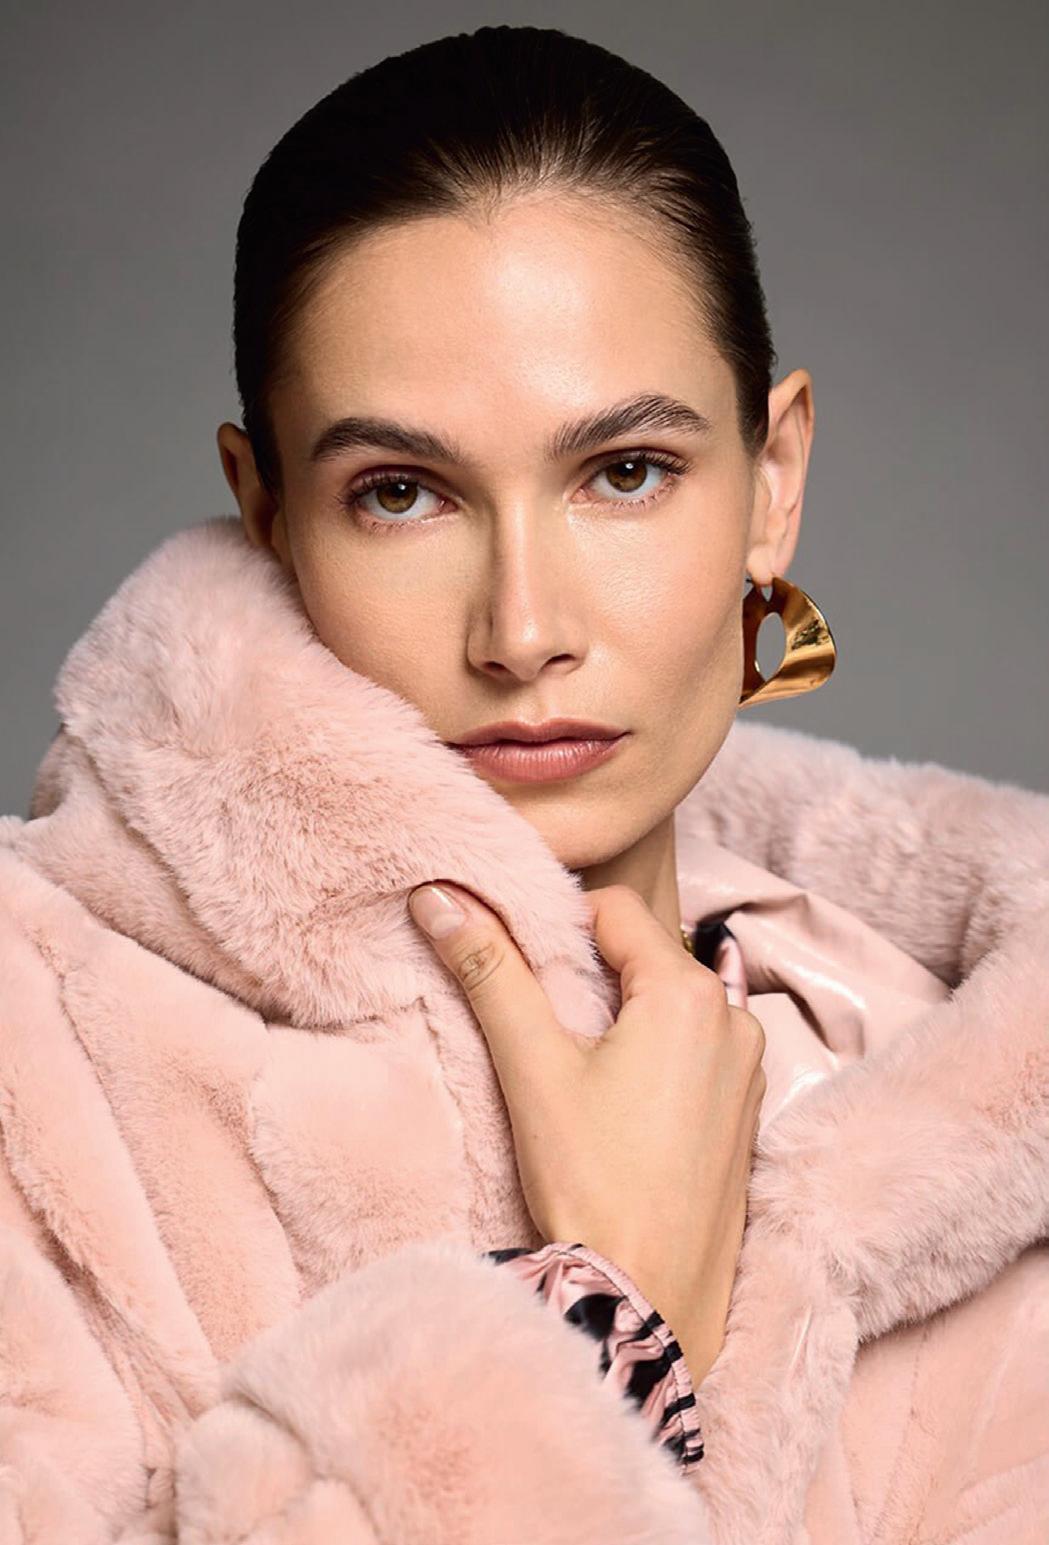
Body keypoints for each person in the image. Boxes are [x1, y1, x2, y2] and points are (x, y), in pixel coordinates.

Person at [1, 23, 1046, 1545]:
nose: (523, 628)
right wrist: (600, 1321)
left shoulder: (965, 1106)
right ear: (268, 508)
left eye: (624, 470)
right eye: (400, 494)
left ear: (772, 482)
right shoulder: (34, 1053)